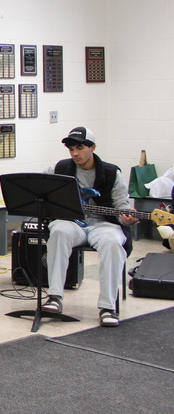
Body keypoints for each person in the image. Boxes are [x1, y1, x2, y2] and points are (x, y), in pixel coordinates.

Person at [42, 127, 136, 327]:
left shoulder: (112, 173)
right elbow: (41, 191)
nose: (75, 153)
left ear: (92, 147)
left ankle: (108, 307)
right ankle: (54, 296)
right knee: (58, 231)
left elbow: (122, 207)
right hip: (72, 222)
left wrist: (126, 219)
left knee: (112, 242)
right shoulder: (59, 168)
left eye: (80, 148)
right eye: (71, 149)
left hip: (104, 224)